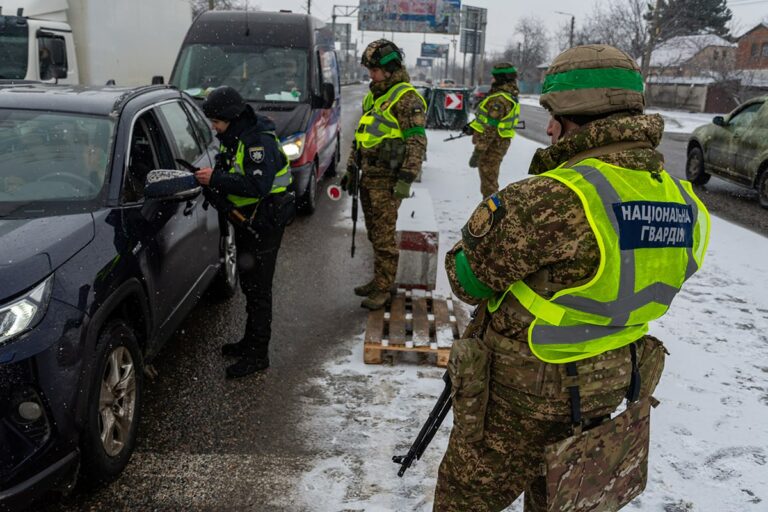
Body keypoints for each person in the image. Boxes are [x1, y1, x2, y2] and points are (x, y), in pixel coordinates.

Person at [433, 45, 711, 511]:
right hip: (607, 387)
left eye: (554, 114)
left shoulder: (552, 197)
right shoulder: (684, 202)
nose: (550, 128)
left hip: (519, 396)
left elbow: (468, 280)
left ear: (575, 116)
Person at [195, 86, 293, 379]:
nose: (214, 127)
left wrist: (216, 178)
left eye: (216, 121)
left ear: (230, 117)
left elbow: (256, 186)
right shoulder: (236, 135)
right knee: (250, 288)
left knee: (259, 291)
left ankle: (257, 355)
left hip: (265, 223)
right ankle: (250, 342)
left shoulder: (256, 142)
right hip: (249, 222)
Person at [340, 39, 427, 310]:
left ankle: (384, 288)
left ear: (389, 69)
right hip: (369, 176)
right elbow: (361, 137)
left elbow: (416, 142)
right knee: (375, 234)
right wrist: (352, 169)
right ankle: (380, 279)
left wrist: (406, 178)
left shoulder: (407, 98)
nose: (370, 74)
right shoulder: (374, 96)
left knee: (385, 238)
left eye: (374, 69)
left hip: (388, 181)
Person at [464, 62, 520, 198]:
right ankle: (492, 211)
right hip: (497, 144)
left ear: (501, 78)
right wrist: (473, 127)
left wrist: (478, 151)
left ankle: (494, 214)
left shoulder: (499, 100)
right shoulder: (505, 95)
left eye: (494, 77)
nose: (492, 80)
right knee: (489, 182)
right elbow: (487, 120)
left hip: (493, 146)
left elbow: (491, 128)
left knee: (489, 186)